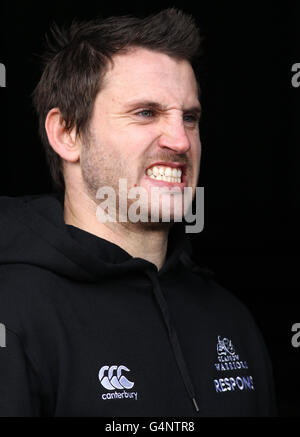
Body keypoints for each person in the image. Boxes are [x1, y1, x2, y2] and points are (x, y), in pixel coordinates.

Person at [0, 8, 276, 416]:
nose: (181, 140)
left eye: (190, 117)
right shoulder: (13, 314)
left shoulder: (231, 319)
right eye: (146, 112)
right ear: (67, 133)